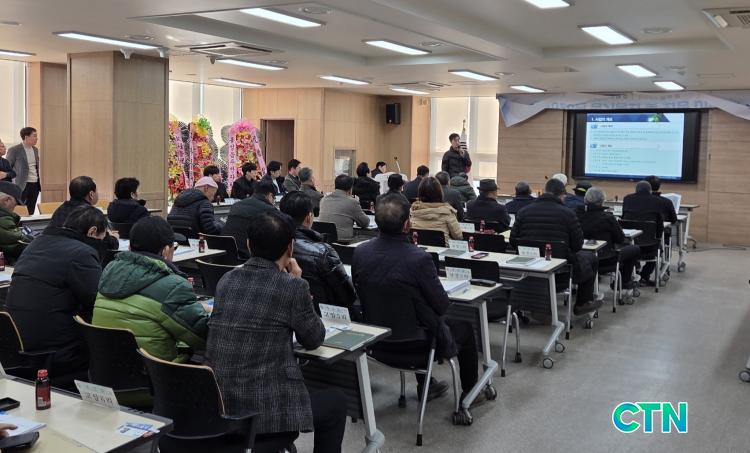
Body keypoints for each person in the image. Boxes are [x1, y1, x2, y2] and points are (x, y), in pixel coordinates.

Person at [207, 210, 347, 453]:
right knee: (336, 403)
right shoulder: (293, 286)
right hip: (266, 415)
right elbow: (314, 339)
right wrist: (298, 281)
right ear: (290, 248)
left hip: (221, 407)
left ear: (248, 245)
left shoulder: (227, 280)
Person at [352, 193, 480, 403]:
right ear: (407, 225)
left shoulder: (360, 252)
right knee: (463, 328)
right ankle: (471, 392)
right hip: (417, 345)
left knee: (411, 311)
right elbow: (441, 306)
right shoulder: (418, 258)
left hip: (377, 341)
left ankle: (427, 385)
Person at [6, 205, 107, 380]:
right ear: (92, 232)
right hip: (54, 350)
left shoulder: (36, 244)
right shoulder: (81, 253)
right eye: (102, 238)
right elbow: (98, 301)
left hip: (16, 343)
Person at [93, 216, 209, 362]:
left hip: (107, 365)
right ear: (165, 251)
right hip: (156, 370)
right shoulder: (174, 286)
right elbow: (203, 338)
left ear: (130, 248)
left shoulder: (109, 271)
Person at [510, 178, 602, 315]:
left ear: (545, 191)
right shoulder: (568, 214)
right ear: (562, 195)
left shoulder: (523, 211)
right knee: (592, 258)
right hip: (561, 271)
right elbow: (577, 245)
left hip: (528, 268)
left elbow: (513, 241)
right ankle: (583, 303)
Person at [280, 191, 357, 316]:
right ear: (309, 217)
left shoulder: (274, 245)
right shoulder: (323, 252)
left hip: (287, 313)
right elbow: (348, 296)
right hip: (325, 315)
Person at [576, 187, 641, 291]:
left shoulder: (576, 215)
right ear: (602, 201)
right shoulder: (608, 217)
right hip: (606, 259)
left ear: (585, 200)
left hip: (581, 258)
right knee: (634, 249)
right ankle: (623, 282)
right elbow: (620, 239)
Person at [47, 176, 119, 252]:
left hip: (54, 250)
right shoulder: (91, 214)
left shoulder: (60, 210)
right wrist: (113, 238)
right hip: (78, 254)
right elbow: (106, 245)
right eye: (97, 191)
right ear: (91, 194)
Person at [622, 180, 665, 285]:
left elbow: (623, 218)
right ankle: (644, 276)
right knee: (659, 249)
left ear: (636, 190)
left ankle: (634, 272)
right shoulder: (657, 201)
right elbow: (660, 224)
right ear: (650, 191)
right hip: (649, 245)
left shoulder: (627, 199)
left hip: (629, 244)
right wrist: (658, 238)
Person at [222, 179, 277, 259]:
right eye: (274, 198)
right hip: (247, 258)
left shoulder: (236, 205)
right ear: (270, 195)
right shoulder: (268, 210)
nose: (273, 202)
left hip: (225, 256)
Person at [410, 176, 463, 245]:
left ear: (420, 192)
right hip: (443, 250)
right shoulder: (447, 212)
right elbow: (458, 236)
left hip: (418, 249)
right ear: (439, 192)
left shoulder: (412, 211)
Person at [318, 175, 370, 243]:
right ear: (350, 188)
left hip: (325, 241)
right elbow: (365, 223)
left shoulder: (323, 200)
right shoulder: (352, 202)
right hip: (344, 242)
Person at [6, 127, 41, 215]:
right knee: (18, 209)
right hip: (20, 185)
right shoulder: (14, 150)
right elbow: (8, 168)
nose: (36, 138)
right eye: (34, 136)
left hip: (35, 184)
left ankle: (29, 223)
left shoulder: (35, 150)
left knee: (31, 210)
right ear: (26, 137)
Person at [0, 181, 32, 264]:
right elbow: (18, 243)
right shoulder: (2, 218)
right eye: (15, 203)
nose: (14, 207)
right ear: (6, 200)